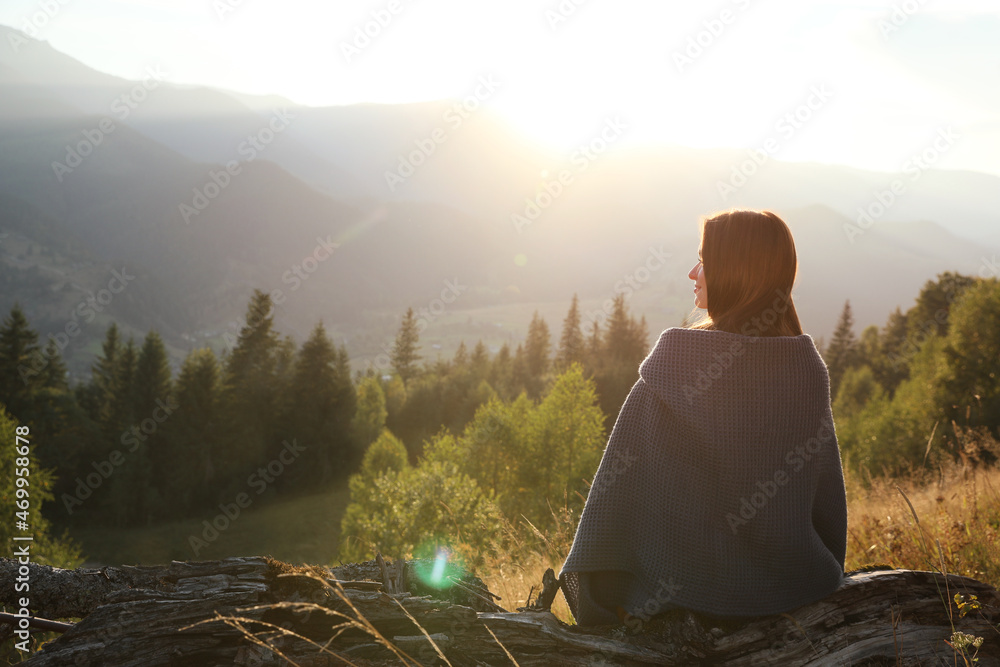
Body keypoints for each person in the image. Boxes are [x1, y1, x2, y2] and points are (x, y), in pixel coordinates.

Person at [559, 209, 847, 626]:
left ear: (736, 273)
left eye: (705, 263)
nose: (693, 273)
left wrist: (605, 601)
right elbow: (827, 507)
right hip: (793, 591)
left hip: (678, 607)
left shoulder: (668, 373)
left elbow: (614, 507)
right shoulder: (806, 372)